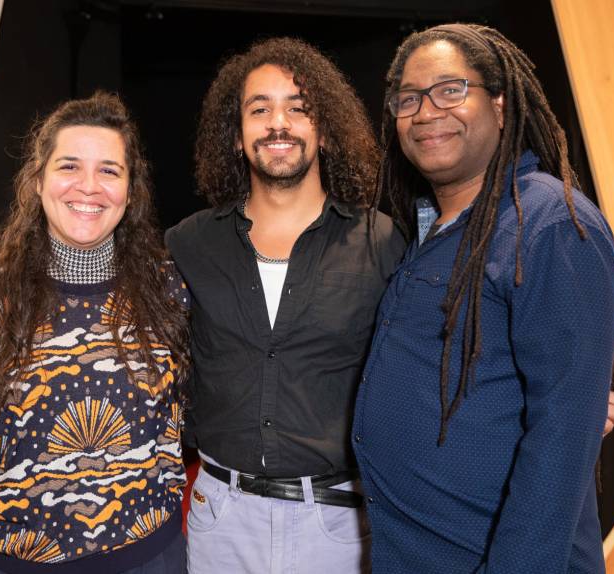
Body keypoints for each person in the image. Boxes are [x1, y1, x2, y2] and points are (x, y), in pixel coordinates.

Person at [353, 23, 614, 573]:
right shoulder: (430, 225)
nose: (426, 112)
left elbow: (563, 438)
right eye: (408, 98)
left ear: (500, 103)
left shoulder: (548, 223)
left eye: (451, 90)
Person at [0, 92, 190, 574]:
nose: (89, 187)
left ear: (131, 189)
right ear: (38, 179)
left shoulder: (168, 286)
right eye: (69, 166)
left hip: (150, 560)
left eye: (109, 170)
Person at [164, 38, 403, 573]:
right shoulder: (188, 244)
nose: (279, 123)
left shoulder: (381, 242)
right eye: (260, 109)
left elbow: (448, 341)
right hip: (217, 521)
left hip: (339, 526)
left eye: (298, 108)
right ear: (236, 135)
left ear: (325, 129)